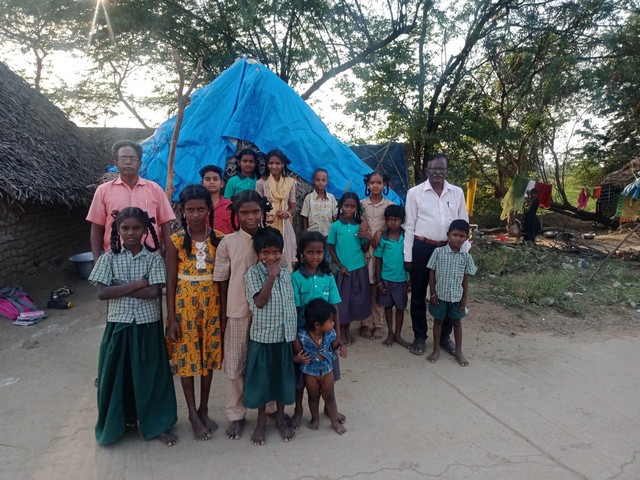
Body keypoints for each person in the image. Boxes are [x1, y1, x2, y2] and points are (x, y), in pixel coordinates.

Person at [88, 207, 177, 447]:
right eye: (125, 228)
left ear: (145, 230)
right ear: (117, 230)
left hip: (147, 326)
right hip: (119, 325)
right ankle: (121, 422)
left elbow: (154, 292)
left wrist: (119, 287)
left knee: (150, 376)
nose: (130, 233)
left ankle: (156, 424)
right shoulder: (108, 258)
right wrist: (138, 283)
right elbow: (102, 293)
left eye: (136, 228)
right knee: (118, 376)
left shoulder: (153, 258)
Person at [212, 190, 275, 440]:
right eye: (244, 212)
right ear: (236, 214)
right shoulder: (228, 242)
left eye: (255, 212)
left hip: (268, 312)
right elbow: (222, 281)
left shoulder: (272, 238)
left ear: (263, 212)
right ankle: (236, 414)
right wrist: (223, 315)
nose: (250, 217)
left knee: (265, 362)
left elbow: (281, 271)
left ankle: (270, 408)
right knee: (236, 364)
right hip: (237, 310)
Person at [165, 185, 224, 441]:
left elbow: (222, 280)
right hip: (184, 310)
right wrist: (171, 318)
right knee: (187, 361)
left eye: (201, 209)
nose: (196, 215)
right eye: (190, 210)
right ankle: (191, 413)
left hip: (211, 308)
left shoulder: (219, 239)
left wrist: (223, 316)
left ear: (209, 209)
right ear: (183, 211)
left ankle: (203, 409)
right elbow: (170, 282)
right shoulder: (176, 240)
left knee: (208, 359)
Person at [404, 153, 469, 357]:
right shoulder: (414, 193)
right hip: (422, 248)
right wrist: (408, 257)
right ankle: (420, 337)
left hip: (449, 250)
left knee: (448, 294)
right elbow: (409, 226)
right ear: (427, 170)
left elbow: (464, 223)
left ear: (447, 171)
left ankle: (444, 337)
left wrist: (463, 252)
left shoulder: (457, 192)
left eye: (441, 169)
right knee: (418, 294)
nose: (437, 172)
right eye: (433, 169)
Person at [244, 227, 297, 445]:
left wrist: (293, 336)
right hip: (263, 337)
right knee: (261, 382)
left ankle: (281, 418)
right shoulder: (253, 274)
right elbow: (259, 302)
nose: (271, 257)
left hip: (284, 337)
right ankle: (261, 421)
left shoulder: (286, 273)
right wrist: (271, 277)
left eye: (275, 252)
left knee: (282, 379)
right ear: (258, 253)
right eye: (265, 253)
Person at [290, 232, 345, 430]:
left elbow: (335, 307)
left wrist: (338, 336)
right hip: (304, 337)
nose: (315, 256)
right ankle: (298, 410)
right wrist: (296, 343)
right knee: (301, 379)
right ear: (302, 253)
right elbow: (294, 311)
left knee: (329, 375)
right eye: (310, 252)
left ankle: (330, 409)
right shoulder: (296, 278)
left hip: (327, 337)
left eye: (319, 252)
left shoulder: (328, 277)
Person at [86, 140, 175, 262]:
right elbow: (96, 228)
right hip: (115, 258)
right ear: (115, 163)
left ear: (140, 163)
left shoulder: (155, 189)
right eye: (123, 158)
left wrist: (169, 260)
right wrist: (97, 261)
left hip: (150, 259)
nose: (128, 162)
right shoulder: (103, 190)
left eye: (132, 158)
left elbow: (165, 226)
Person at [426, 219, 477, 366]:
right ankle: (436, 349)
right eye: (455, 235)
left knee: (457, 323)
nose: (458, 239)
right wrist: (432, 293)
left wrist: (464, 298)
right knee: (438, 322)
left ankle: (458, 352)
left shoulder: (466, 257)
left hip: (456, 297)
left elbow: (465, 278)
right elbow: (431, 272)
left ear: (466, 238)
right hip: (440, 296)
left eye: (462, 236)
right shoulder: (438, 252)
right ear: (448, 235)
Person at [293, 299, 348, 434]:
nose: (334, 323)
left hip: (327, 370)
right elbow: (295, 350)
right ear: (317, 324)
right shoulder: (302, 335)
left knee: (330, 397)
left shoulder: (330, 333)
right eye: (330, 321)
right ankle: (315, 418)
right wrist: (297, 358)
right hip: (310, 373)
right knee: (313, 397)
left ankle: (334, 421)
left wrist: (341, 347)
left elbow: (336, 344)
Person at [327, 192, 372, 346]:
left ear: (356, 209)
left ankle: (347, 330)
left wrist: (368, 239)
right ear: (341, 206)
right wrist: (340, 265)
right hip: (342, 270)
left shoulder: (358, 227)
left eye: (353, 207)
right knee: (342, 302)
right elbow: (330, 246)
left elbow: (363, 248)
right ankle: (341, 330)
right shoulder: (335, 226)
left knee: (354, 300)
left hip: (358, 268)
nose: (349, 209)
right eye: (346, 206)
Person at [360, 171, 395, 340]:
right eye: (372, 182)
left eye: (379, 182)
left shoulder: (389, 205)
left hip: (381, 253)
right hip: (363, 252)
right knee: (364, 288)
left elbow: (393, 224)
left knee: (377, 288)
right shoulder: (361, 204)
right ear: (367, 185)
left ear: (384, 185)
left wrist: (381, 231)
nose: (375, 185)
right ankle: (364, 323)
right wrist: (362, 223)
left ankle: (378, 324)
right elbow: (355, 222)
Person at [374, 205, 411, 348]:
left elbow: (411, 260)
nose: (393, 223)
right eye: (390, 220)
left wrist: (411, 280)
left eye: (396, 220)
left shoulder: (407, 237)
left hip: (402, 279)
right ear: (386, 221)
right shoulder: (383, 238)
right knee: (388, 307)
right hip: (385, 279)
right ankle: (390, 333)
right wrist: (378, 282)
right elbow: (378, 260)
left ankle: (398, 335)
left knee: (400, 308)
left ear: (402, 221)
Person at [256, 149, 297, 270]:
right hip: (267, 224)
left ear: (283, 164)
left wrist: (287, 213)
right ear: (267, 164)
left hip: (285, 225)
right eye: (271, 163)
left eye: (277, 163)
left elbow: (293, 208)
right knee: (266, 254)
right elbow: (257, 206)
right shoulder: (261, 183)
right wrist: (265, 218)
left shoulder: (290, 182)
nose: (274, 166)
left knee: (285, 256)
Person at [300, 168, 338, 237]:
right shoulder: (309, 198)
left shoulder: (331, 198)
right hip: (312, 234)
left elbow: (334, 216)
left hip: (328, 234)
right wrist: (305, 233)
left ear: (327, 182)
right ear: (313, 181)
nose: (320, 182)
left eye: (323, 180)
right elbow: (305, 217)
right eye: (318, 180)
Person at [199, 165, 233, 234]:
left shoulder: (230, 205)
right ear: (202, 183)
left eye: (215, 179)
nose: (212, 182)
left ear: (222, 183)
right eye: (207, 179)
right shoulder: (196, 205)